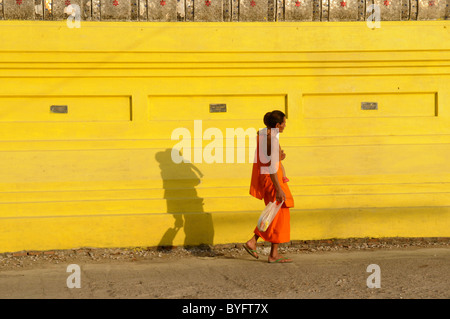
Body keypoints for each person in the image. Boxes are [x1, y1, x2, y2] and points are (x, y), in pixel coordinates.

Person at [244, 110, 294, 263]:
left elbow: (270, 159)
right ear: (277, 125)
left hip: (271, 178)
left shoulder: (264, 135)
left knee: (277, 213)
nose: (285, 125)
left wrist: (279, 157)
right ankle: (254, 242)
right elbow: (271, 166)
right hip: (273, 180)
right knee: (275, 214)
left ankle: (272, 252)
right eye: (284, 123)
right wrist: (278, 188)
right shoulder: (271, 139)